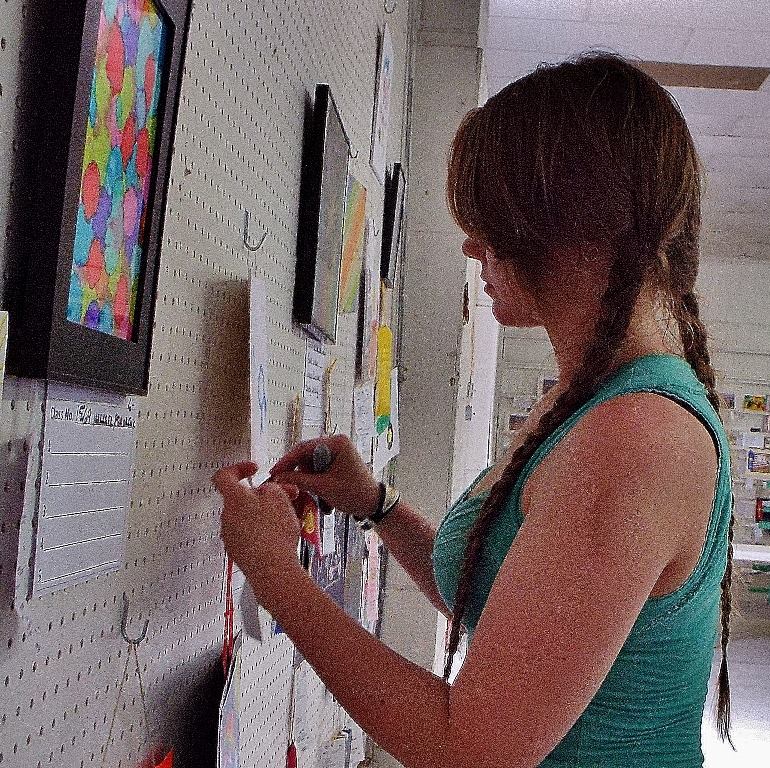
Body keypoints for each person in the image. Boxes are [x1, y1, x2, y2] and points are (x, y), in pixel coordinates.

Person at [214, 52, 733, 767]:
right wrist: (378, 506)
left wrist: (274, 573)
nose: (469, 244)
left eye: (492, 221)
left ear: (574, 228)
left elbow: (468, 749)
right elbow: (510, 609)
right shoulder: (587, 402)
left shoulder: (637, 437)